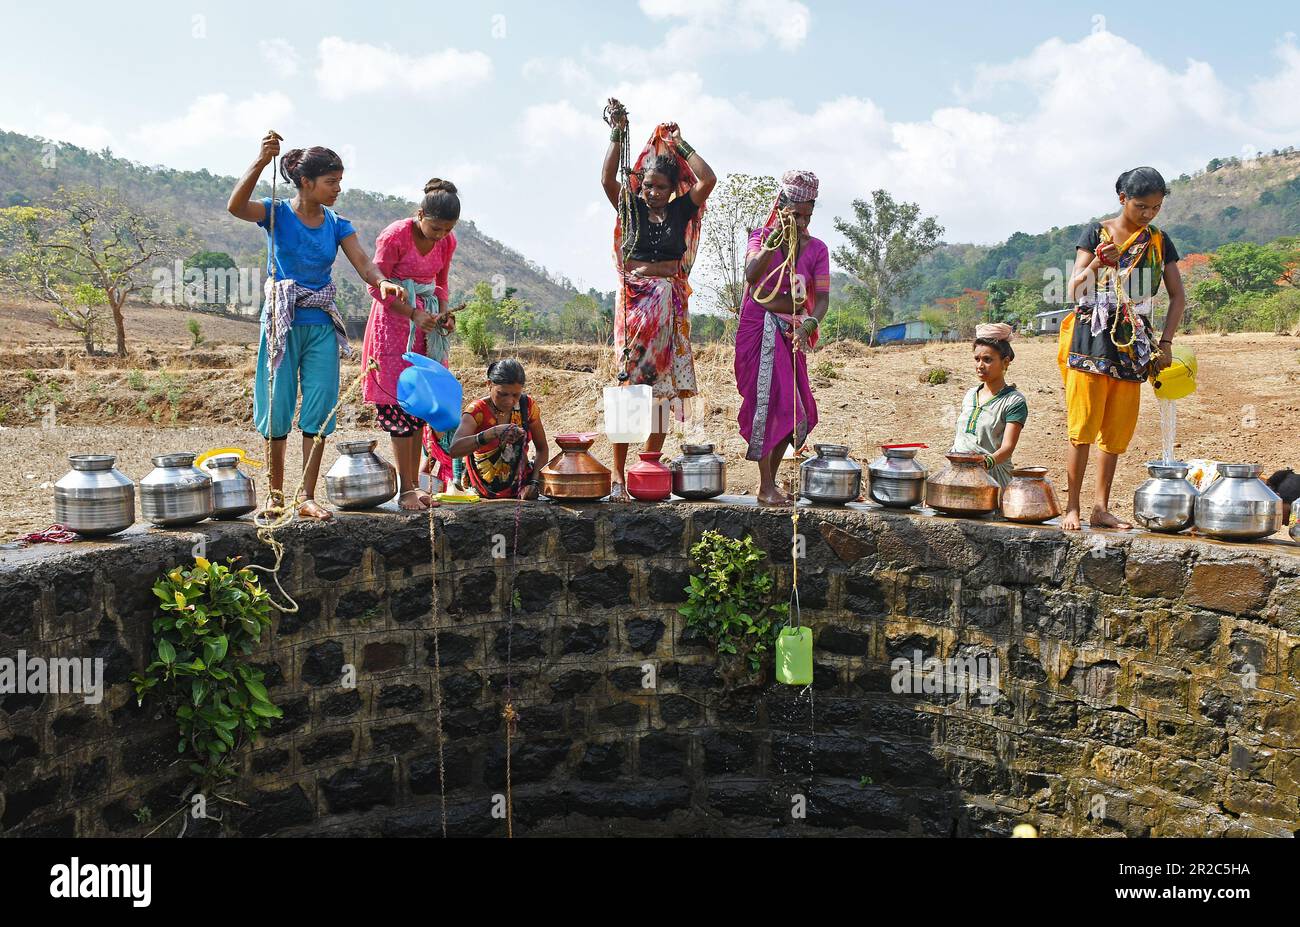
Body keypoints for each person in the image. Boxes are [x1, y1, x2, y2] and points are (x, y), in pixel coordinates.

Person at [227, 131, 404, 520]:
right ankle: (275, 496)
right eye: (331, 182)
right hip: (282, 323)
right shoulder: (277, 213)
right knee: (277, 406)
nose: (338, 188)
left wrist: (382, 281)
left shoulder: (337, 223)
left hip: (320, 321)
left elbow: (363, 262)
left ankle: (305, 495)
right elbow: (236, 206)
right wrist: (260, 160)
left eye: (339, 181)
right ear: (306, 183)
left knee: (321, 407)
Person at [601, 99, 716, 501]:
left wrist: (680, 145)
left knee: (661, 391)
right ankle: (618, 476)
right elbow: (607, 180)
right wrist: (617, 134)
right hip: (634, 306)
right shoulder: (630, 206)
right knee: (629, 386)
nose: (652, 192)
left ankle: (649, 468)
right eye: (647, 185)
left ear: (672, 190)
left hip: (666, 308)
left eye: (660, 187)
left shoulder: (681, 210)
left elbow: (708, 179)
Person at [1061, 166, 1186, 531]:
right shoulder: (1096, 233)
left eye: (1155, 208)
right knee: (1082, 426)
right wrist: (1100, 261)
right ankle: (1073, 508)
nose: (1148, 214)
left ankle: (1101, 508)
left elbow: (1178, 297)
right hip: (1092, 340)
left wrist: (1166, 342)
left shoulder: (1160, 241)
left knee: (1116, 429)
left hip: (1134, 343)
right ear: (1122, 199)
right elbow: (1075, 290)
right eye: (1141, 206)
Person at [361, 178, 460, 510]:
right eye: (435, 228)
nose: (440, 236)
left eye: (447, 230)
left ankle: (415, 485)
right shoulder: (394, 237)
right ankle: (405, 491)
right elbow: (376, 286)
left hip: (425, 330)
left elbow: (441, 284)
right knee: (399, 407)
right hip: (393, 327)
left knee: (419, 409)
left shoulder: (447, 243)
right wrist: (411, 313)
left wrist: (444, 315)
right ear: (420, 214)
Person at [735, 170, 831, 505]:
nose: (802, 222)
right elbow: (751, 274)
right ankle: (765, 486)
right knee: (771, 403)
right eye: (796, 214)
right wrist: (776, 238)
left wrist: (807, 326)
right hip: (760, 327)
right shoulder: (760, 237)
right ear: (782, 206)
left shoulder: (817, 249)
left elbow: (822, 299)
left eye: (808, 215)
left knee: (795, 408)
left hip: (793, 331)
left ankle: (770, 483)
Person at [446, 359, 550, 500]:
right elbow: (455, 449)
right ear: (489, 384)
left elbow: (542, 448)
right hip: (482, 488)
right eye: (502, 394)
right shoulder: (477, 411)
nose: (509, 401)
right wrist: (491, 433)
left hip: (521, 487)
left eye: (515, 395)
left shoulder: (527, 407)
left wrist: (534, 483)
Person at [950, 324, 1028, 488]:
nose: (980, 365)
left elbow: (1007, 447)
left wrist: (983, 464)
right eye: (977, 359)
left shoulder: (1014, 402)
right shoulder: (970, 395)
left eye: (987, 360)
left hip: (992, 479)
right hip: (959, 476)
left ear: (1005, 362)